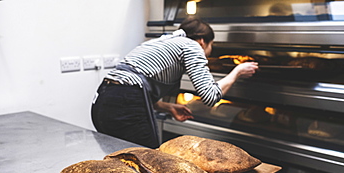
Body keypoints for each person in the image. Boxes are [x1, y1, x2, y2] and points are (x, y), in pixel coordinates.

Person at [91, 17, 258, 148]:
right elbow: (210, 96)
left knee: (119, 161)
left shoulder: (161, 41)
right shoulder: (192, 46)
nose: (209, 51)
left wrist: (168, 107)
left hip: (102, 100)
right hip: (124, 103)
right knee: (146, 162)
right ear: (202, 41)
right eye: (211, 45)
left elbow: (131, 86)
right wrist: (237, 71)